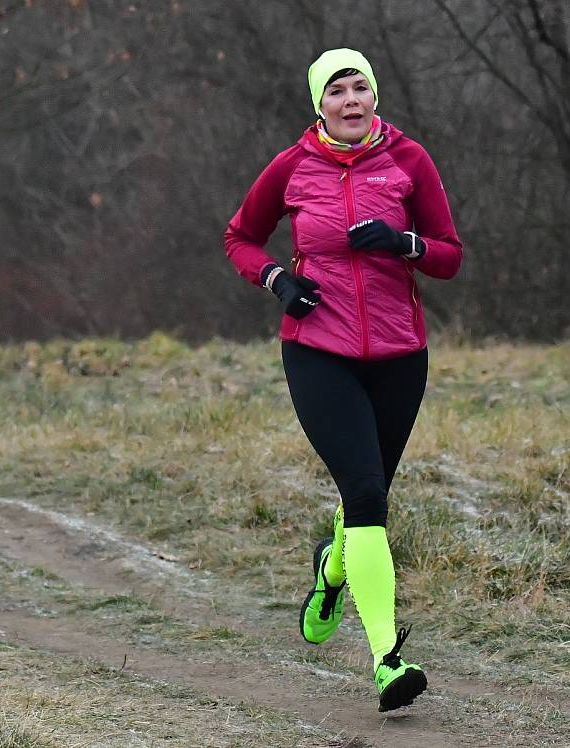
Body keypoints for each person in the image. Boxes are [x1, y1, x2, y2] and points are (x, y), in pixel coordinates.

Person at [224, 48, 462, 712]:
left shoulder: (410, 162)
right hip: (317, 350)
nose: (350, 100)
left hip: (398, 355)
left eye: (361, 87)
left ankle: (332, 570)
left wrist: (403, 242)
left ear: (376, 98)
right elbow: (240, 237)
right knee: (365, 498)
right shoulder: (292, 166)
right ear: (319, 104)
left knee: (368, 498)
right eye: (337, 91)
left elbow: (449, 257)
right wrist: (276, 280)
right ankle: (388, 662)